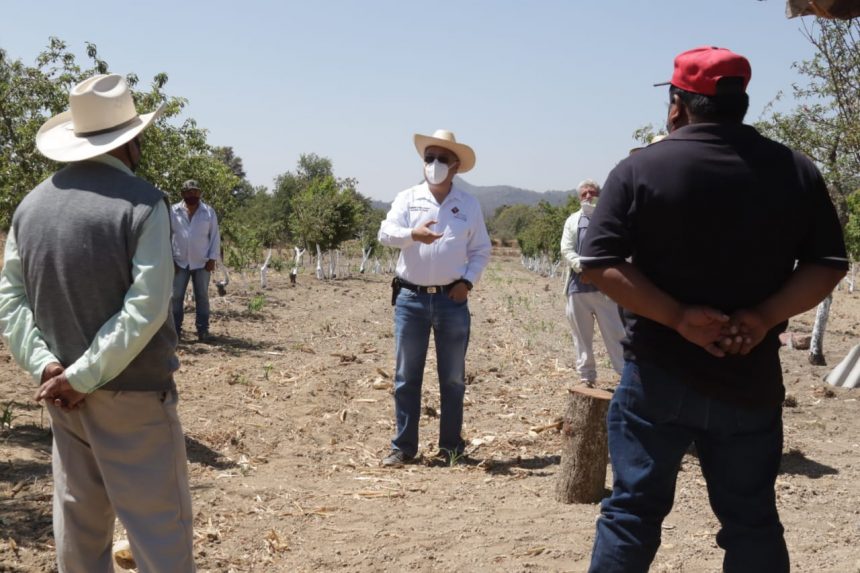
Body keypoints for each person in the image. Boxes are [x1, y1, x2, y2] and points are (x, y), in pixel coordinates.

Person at [580, 46, 849, 572]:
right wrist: (765, 316)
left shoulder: (642, 168)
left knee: (632, 515)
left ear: (678, 106)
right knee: (752, 521)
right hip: (748, 379)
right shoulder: (795, 170)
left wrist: (679, 317)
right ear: (741, 103)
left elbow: (597, 263)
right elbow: (828, 263)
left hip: (659, 376)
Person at [0, 74, 195, 571]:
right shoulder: (143, 203)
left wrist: (48, 369)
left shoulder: (29, 208)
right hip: (132, 398)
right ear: (130, 140)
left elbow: (11, 300)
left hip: (63, 401)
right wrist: (83, 375)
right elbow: (147, 307)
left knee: (80, 535)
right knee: (159, 535)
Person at [377, 129, 492, 467]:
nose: (435, 164)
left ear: (456, 166)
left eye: (443, 159)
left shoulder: (468, 205)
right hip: (411, 299)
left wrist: (467, 283)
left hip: (451, 301)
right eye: (430, 158)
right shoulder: (407, 198)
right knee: (405, 377)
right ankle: (404, 447)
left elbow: (481, 250)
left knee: (453, 378)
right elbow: (385, 234)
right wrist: (412, 235)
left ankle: (451, 446)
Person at [560, 179, 626, 385]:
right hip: (577, 288)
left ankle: (625, 376)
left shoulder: (611, 219)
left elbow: (618, 250)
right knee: (581, 336)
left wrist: (597, 273)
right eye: (584, 193)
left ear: (600, 195)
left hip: (606, 290)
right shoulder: (573, 220)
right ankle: (586, 377)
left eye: (592, 192)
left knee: (616, 333)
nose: (588, 196)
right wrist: (584, 268)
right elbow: (566, 249)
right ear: (579, 197)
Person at [171, 179, 221, 342]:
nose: (192, 195)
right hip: (179, 262)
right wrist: (170, 259)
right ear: (182, 194)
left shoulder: (208, 212)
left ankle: (203, 331)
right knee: (176, 297)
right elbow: (166, 235)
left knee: (202, 296)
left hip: (202, 262)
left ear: (199, 193)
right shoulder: (173, 211)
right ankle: (175, 331)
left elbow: (214, 236)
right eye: (189, 192)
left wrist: (212, 258)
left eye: (195, 192)